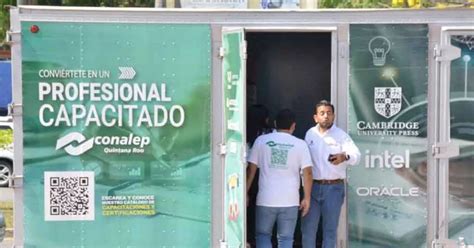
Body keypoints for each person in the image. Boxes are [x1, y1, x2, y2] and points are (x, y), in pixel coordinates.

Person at [247, 109, 313, 248]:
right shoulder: (300, 144)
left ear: (275, 123)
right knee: (286, 239)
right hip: (290, 201)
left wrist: (245, 192)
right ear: (293, 126)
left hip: (265, 199)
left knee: (263, 236)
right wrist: (306, 198)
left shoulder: (261, 141)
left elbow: (251, 170)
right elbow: (307, 173)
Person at [301, 100, 360, 248]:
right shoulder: (310, 134)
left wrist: (344, 156)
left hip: (333, 188)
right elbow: (303, 162)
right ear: (316, 117)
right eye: (322, 113)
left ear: (333, 116)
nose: (326, 116)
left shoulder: (340, 135)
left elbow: (357, 156)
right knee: (308, 230)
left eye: (329, 113)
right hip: (312, 188)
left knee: (330, 231)